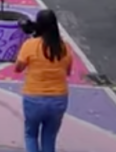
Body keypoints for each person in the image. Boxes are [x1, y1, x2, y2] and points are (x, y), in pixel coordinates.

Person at [15, 9, 72, 152]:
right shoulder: (64, 48)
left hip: (34, 98)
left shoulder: (30, 45)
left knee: (31, 135)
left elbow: (18, 68)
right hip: (59, 99)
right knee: (49, 137)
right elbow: (68, 72)